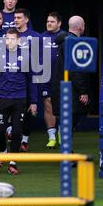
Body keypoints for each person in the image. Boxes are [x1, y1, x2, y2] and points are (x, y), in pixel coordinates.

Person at [0, 28, 37, 174]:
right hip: (2, 99)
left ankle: (13, 162)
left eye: (12, 39)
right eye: (7, 39)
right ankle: (2, 153)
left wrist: (33, 101)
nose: (8, 41)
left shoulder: (27, 56)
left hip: (20, 99)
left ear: (18, 40)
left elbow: (32, 81)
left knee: (16, 132)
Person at [52, 16, 90, 131]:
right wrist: (83, 91)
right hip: (71, 91)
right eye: (83, 25)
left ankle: (66, 146)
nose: (84, 27)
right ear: (80, 27)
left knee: (67, 123)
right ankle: (66, 147)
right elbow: (76, 70)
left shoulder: (63, 42)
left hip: (61, 88)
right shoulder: (74, 44)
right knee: (70, 123)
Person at [14, 8, 41, 151]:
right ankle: (12, 135)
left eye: (19, 17)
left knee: (30, 108)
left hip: (29, 77)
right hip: (12, 78)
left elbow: (39, 59)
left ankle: (24, 140)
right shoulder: (10, 35)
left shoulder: (35, 36)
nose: (16, 20)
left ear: (26, 19)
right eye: (15, 17)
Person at [41, 12, 65, 148]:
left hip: (61, 78)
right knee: (48, 105)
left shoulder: (64, 37)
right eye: (48, 21)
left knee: (62, 107)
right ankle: (51, 137)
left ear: (59, 23)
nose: (49, 23)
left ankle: (62, 133)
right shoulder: (41, 37)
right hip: (45, 77)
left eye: (52, 21)